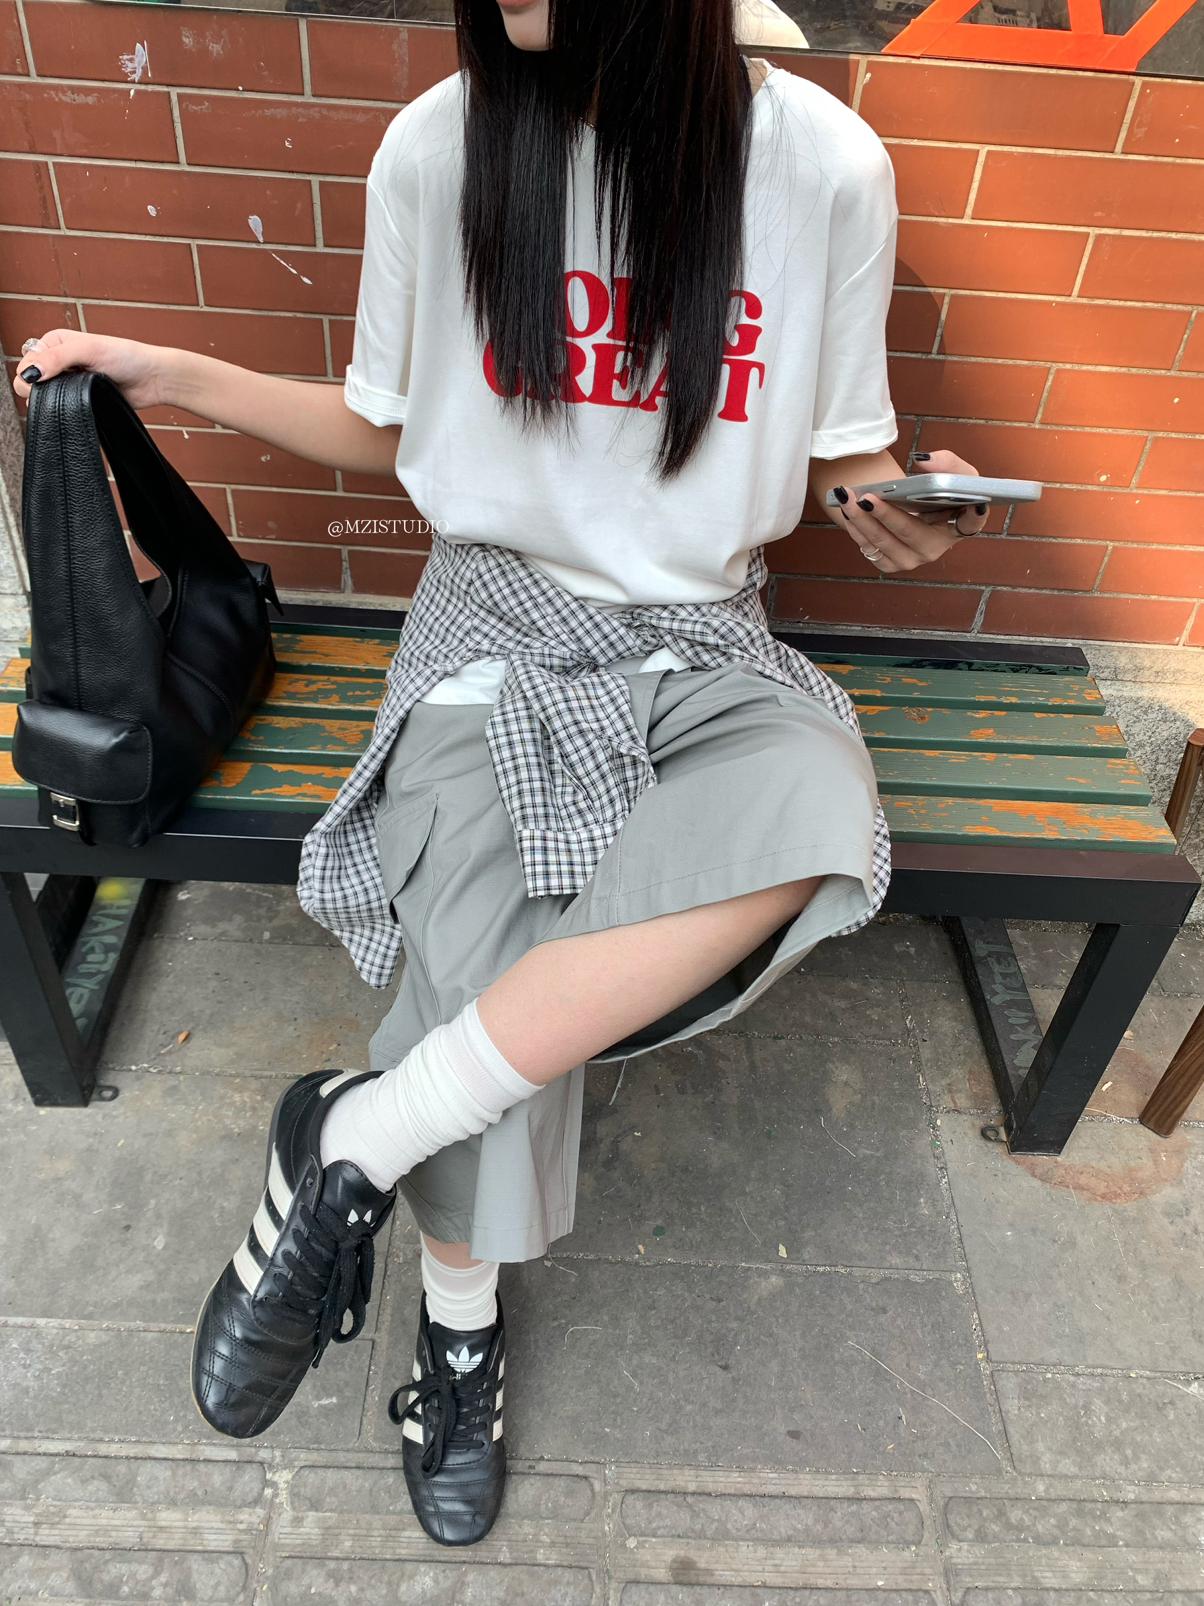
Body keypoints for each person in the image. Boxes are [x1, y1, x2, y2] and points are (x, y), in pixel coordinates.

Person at [12, 0, 990, 1549]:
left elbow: (841, 463)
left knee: (820, 801)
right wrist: (167, 367)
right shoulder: (441, 149)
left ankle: (355, 1136)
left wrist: (910, 509)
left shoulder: (824, 167)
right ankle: (456, 1336)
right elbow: (384, 427)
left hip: (704, 645)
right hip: (492, 630)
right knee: (495, 930)